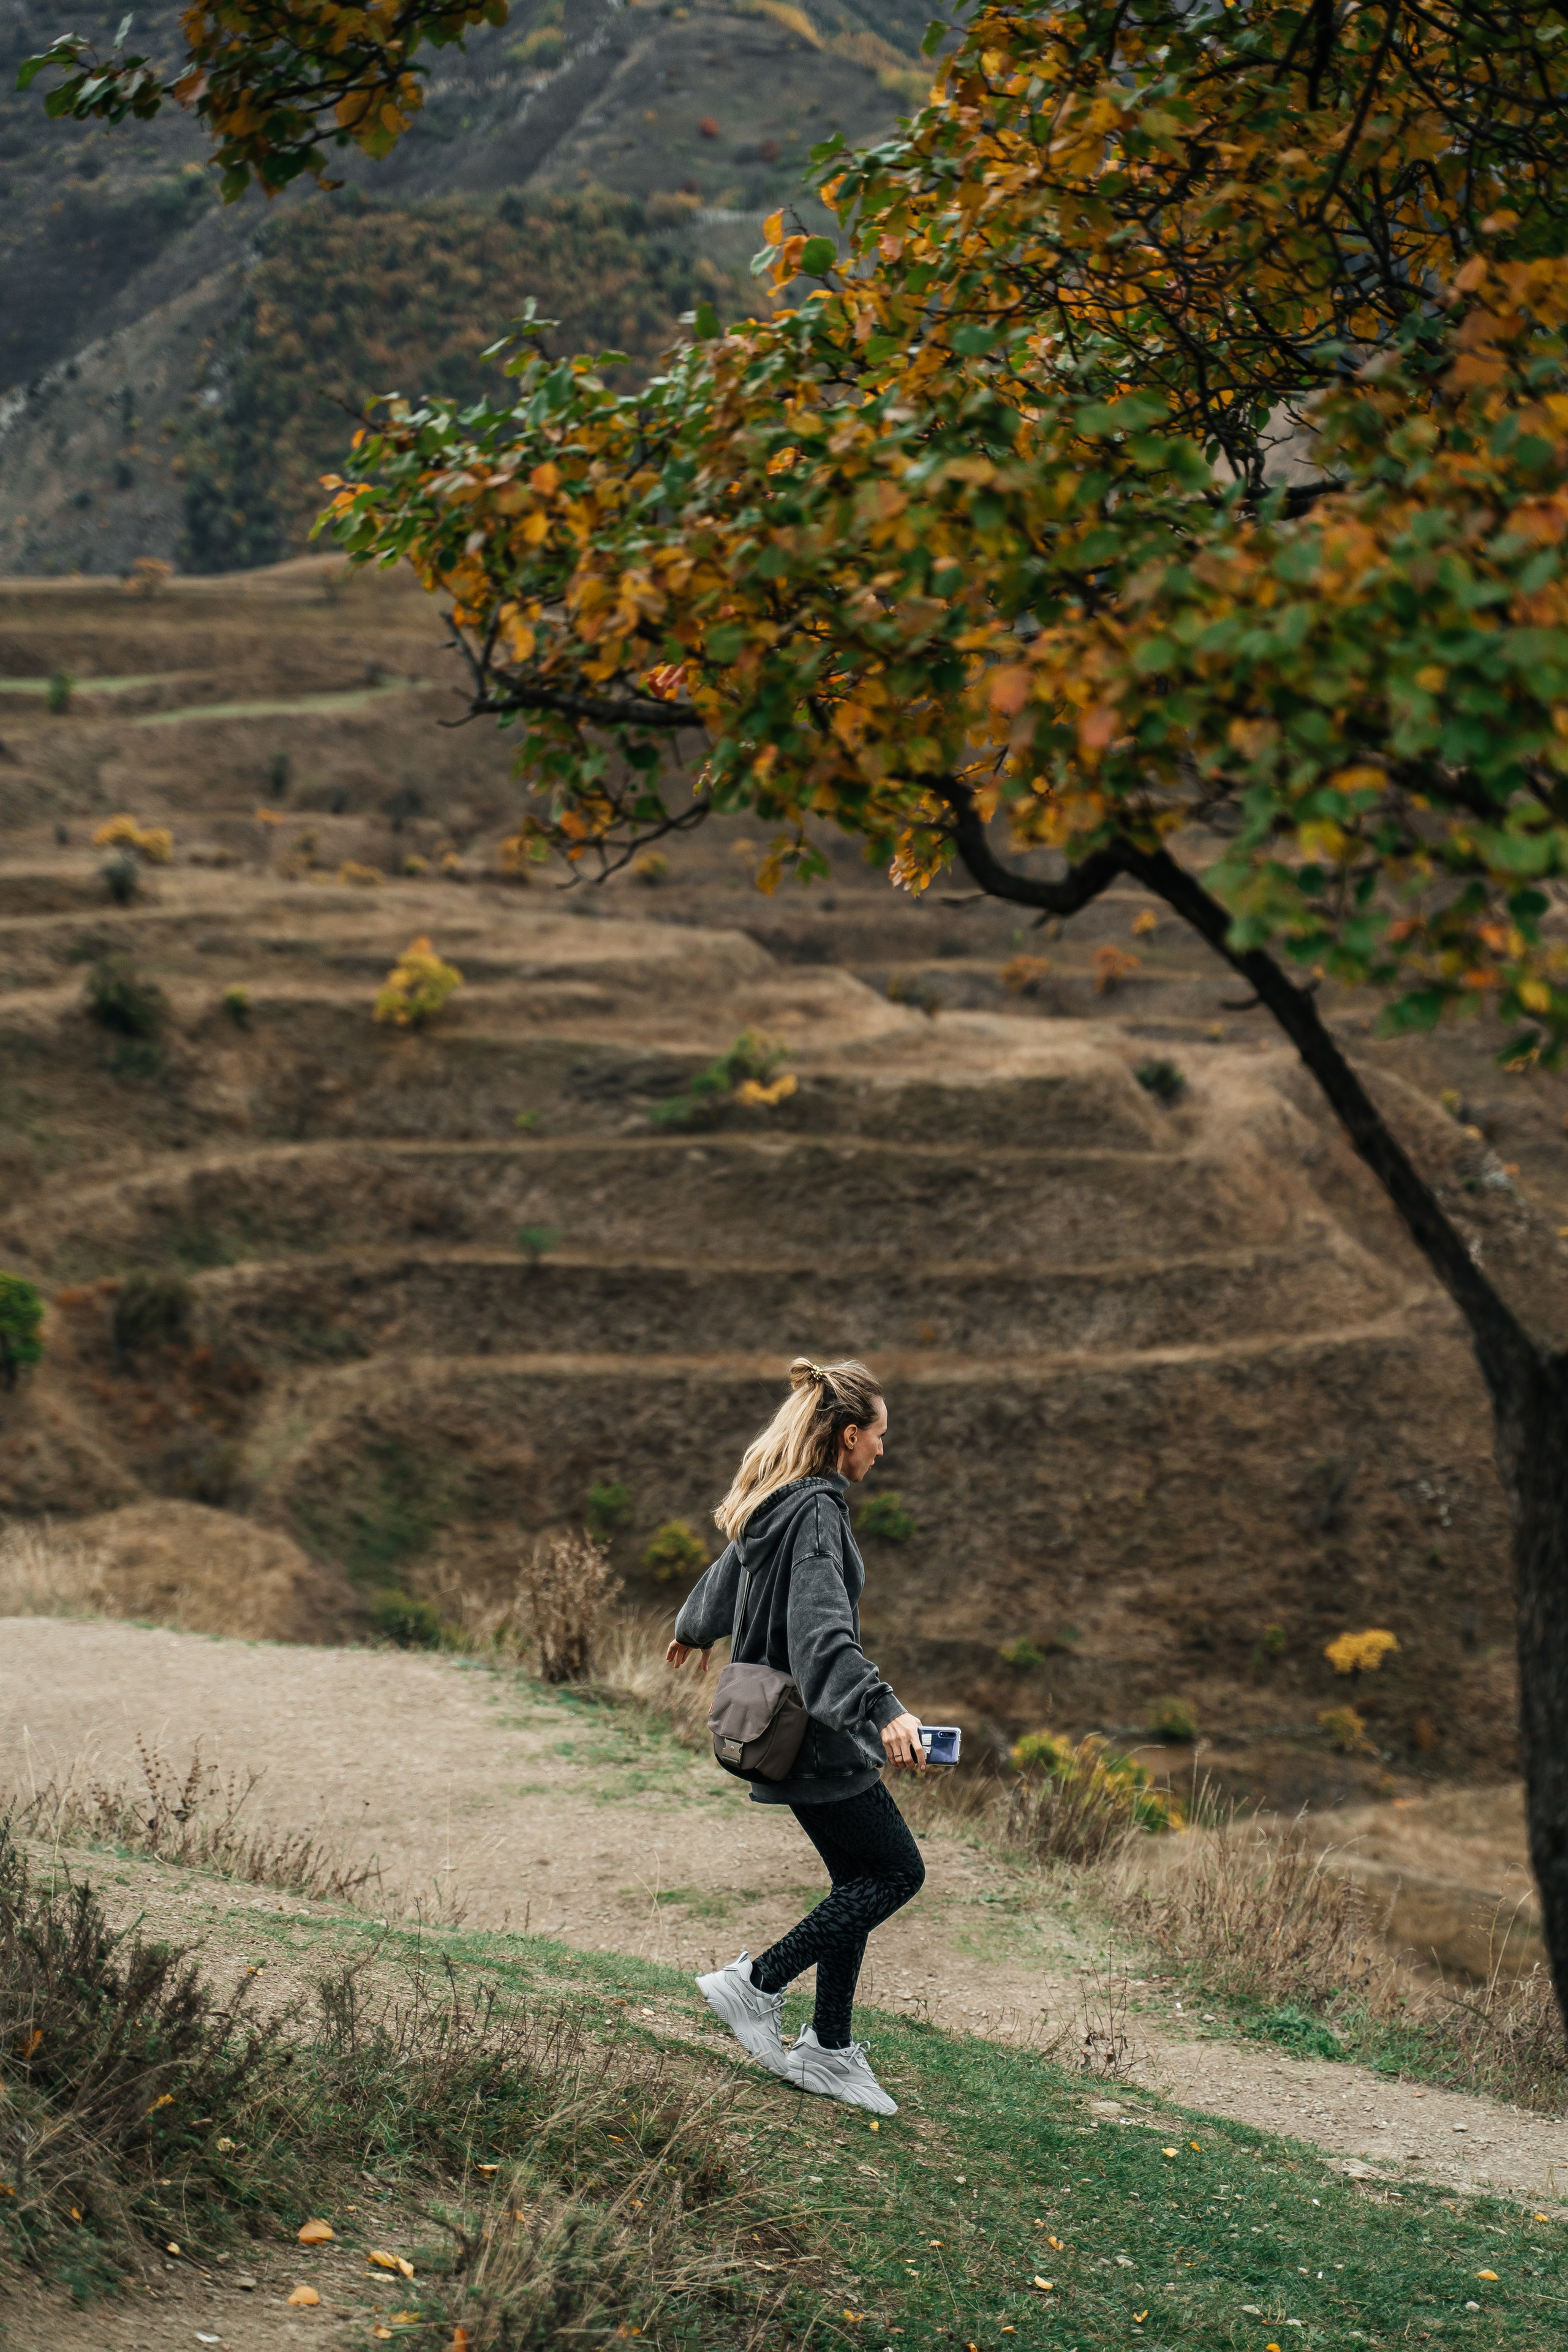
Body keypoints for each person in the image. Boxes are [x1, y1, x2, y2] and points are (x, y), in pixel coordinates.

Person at [665, 1356, 928, 2116]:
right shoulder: (816, 1510)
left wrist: (692, 1628)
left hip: (783, 1726)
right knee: (896, 1874)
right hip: (817, 1732)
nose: (883, 1449)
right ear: (848, 1435)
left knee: (859, 1881)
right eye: (878, 1435)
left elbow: (729, 1569)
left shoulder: (775, 1501)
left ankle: (829, 2051)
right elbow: (821, 1638)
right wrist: (885, 1709)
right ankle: (755, 1985)